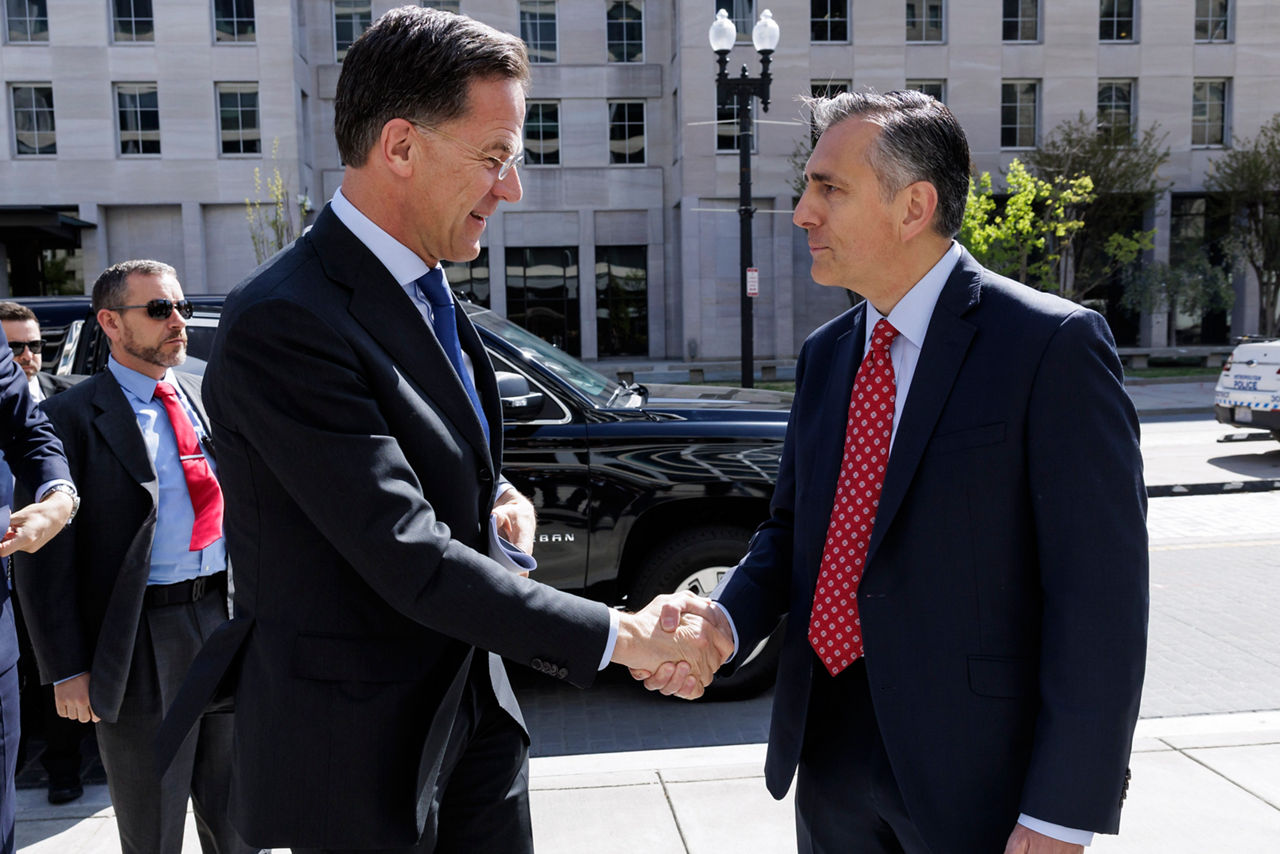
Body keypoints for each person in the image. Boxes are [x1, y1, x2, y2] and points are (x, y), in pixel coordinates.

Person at [161, 7, 728, 853]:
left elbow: (426, 460)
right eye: (493, 159)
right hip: (359, 753)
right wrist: (624, 637)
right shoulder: (284, 322)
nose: (512, 188)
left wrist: (496, 492)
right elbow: (404, 551)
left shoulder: (424, 287)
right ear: (400, 146)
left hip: (475, 719)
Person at [641, 90, 1149, 854]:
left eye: (829, 189)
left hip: (980, 781)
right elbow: (792, 532)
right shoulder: (826, 357)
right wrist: (725, 620)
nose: (802, 213)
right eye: (806, 187)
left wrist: (1062, 811)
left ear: (914, 206)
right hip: (830, 756)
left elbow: (1101, 601)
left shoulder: (1051, 348)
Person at [16, 261, 256, 854]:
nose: (178, 322)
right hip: (141, 637)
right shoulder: (68, 418)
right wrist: (66, 667)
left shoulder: (204, 392)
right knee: (153, 824)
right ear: (111, 323)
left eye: (182, 309)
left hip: (224, 620)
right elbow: (44, 561)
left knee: (242, 817)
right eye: (158, 310)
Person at [0, 301, 89, 806]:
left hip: (44, 556)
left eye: (36, 345)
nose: (29, 355)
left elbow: (39, 445)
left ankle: (62, 769)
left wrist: (58, 503)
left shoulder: (66, 399)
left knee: (52, 666)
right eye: (16, 347)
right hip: (7, 562)